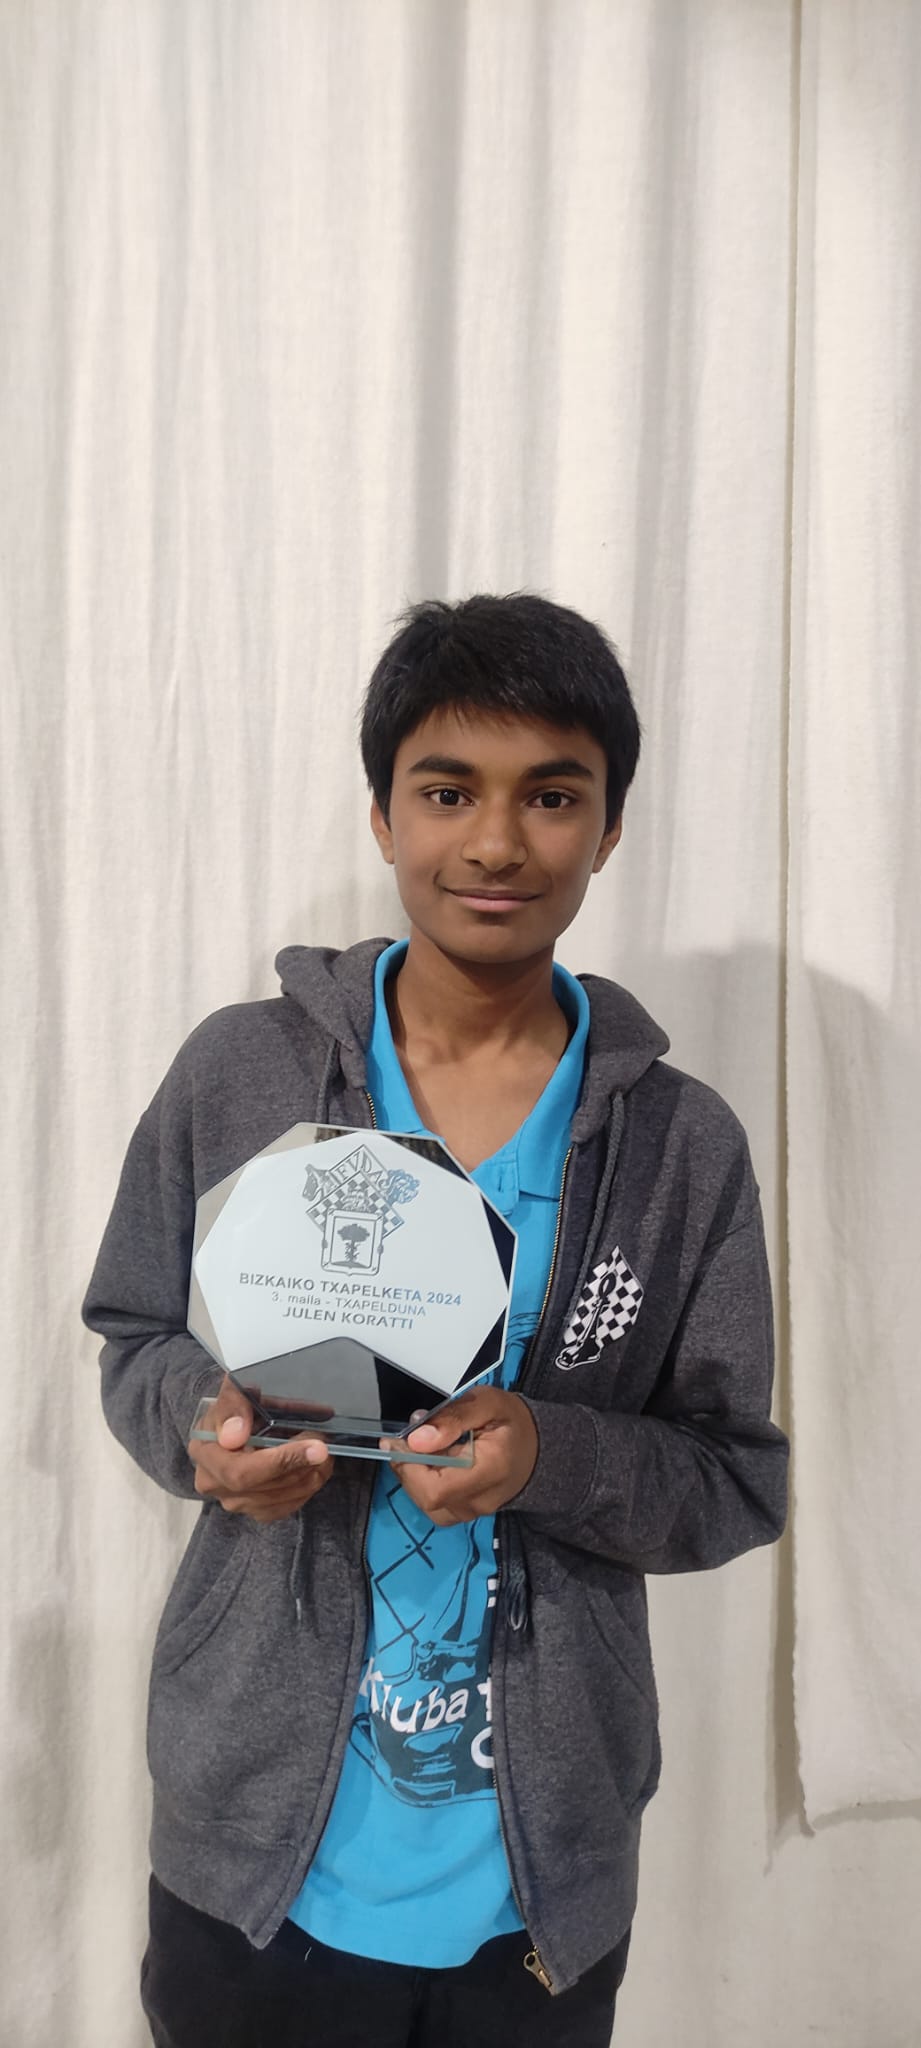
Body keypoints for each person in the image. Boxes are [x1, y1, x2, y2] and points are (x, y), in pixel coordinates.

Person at [84, 593, 788, 2048]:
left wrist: (550, 1458)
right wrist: (202, 1428)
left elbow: (732, 1478)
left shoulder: (679, 1146)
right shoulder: (242, 1073)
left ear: (609, 828)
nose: (495, 843)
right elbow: (136, 1327)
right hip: (251, 1854)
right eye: (448, 791)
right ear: (381, 813)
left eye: (552, 796)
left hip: (538, 1873)